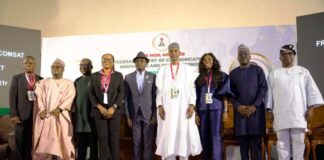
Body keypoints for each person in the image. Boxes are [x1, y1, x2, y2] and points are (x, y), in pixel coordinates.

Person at [266, 44, 324, 160]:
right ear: (280, 57)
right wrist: (269, 111)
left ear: (294, 56)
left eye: (290, 54)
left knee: (299, 144)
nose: (287, 56)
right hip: (280, 115)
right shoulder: (274, 74)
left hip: (299, 114)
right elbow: (269, 95)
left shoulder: (303, 72)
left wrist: (311, 109)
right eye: (283, 54)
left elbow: (311, 91)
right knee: (282, 146)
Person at [155, 42, 202, 160]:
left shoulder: (188, 69)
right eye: (171, 51)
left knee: (183, 136)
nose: (173, 53)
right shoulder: (163, 70)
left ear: (179, 52)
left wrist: (192, 105)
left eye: (176, 50)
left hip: (183, 109)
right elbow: (159, 91)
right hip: (168, 109)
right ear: (168, 53)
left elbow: (192, 89)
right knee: (169, 136)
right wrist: (160, 105)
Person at [229, 44, 267, 160]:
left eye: (246, 54)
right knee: (243, 146)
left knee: (256, 146)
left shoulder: (258, 70)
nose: (243, 56)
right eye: (241, 54)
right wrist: (238, 106)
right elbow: (230, 93)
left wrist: (255, 106)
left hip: (256, 113)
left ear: (250, 56)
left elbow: (263, 88)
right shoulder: (233, 74)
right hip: (240, 114)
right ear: (238, 57)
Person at [33, 58, 76, 160]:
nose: (55, 69)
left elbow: (70, 96)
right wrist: (42, 109)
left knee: (63, 139)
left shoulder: (69, 83)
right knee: (45, 143)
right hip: (46, 116)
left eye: (58, 67)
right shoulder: (43, 82)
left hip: (61, 116)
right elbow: (39, 95)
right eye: (53, 67)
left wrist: (60, 108)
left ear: (63, 69)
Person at [195, 52, 231, 160]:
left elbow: (225, 94)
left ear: (213, 61)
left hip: (216, 109)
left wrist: (225, 111)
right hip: (202, 110)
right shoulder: (199, 78)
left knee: (216, 136)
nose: (207, 61)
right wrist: (196, 113)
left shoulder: (221, 75)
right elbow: (195, 96)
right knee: (204, 136)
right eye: (204, 60)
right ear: (202, 63)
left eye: (209, 59)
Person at [89, 53, 124, 160]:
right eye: (104, 59)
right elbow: (91, 93)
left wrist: (113, 107)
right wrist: (100, 107)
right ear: (101, 61)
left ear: (113, 62)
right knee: (102, 139)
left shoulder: (118, 75)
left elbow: (121, 93)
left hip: (114, 111)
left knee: (114, 138)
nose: (106, 60)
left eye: (109, 59)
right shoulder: (94, 76)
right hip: (99, 111)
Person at [124, 52, 157, 160]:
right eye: (137, 61)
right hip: (134, 115)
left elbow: (155, 97)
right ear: (134, 63)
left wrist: (154, 115)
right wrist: (128, 116)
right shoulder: (128, 77)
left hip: (148, 114)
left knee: (148, 143)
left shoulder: (152, 77)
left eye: (142, 61)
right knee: (136, 142)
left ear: (146, 63)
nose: (140, 62)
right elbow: (126, 98)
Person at [9, 56, 42, 160]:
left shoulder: (41, 79)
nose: (28, 65)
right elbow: (12, 97)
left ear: (35, 65)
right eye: (26, 63)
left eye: (30, 63)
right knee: (20, 143)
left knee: (31, 143)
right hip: (20, 117)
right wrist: (14, 114)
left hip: (35, 116)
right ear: (23, 65)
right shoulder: (17, 78)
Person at [74, 58, 98, 160]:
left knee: (93, 145)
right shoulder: (77, 81)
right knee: (81, 146)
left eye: (86, 65)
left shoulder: (96, 79)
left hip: (92, 118)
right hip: (80, 119)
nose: (83, 67)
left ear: (91, 67)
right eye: (81, 65)